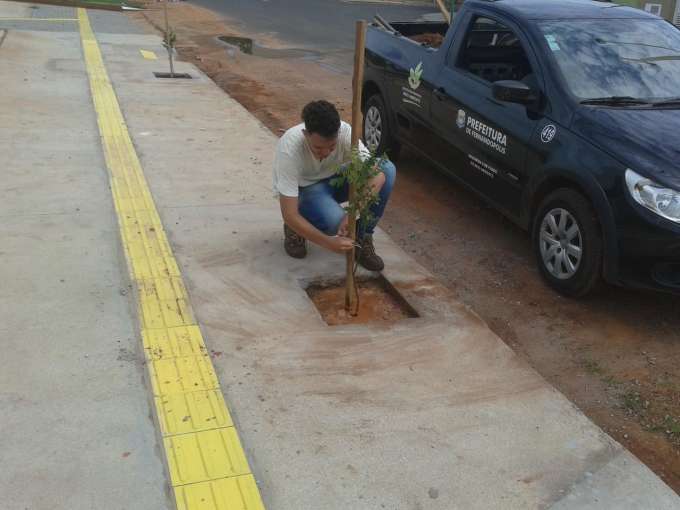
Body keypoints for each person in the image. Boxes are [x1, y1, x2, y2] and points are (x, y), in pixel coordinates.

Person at [273, 100, 396, 271]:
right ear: (305, 134)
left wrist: (353, 213)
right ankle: (297, 227)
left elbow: (378, 176)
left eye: (331, 147)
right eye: (318, 148)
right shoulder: (289, 149)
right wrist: (329, 243)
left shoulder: (345, 133)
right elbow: (289, 214)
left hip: (333, 178)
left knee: (387, 169)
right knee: (334, 223)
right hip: (305, 190)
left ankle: (362, 237)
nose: (325, 153)